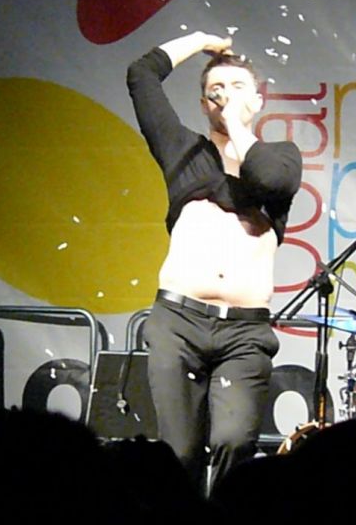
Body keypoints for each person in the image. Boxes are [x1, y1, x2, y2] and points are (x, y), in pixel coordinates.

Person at [126, 32, 302, 493]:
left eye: (238, 88)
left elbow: (267, 179)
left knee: (234, 442)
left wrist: (237, 126)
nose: (226, 97)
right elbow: (142, 74)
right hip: (179, 322)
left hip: (244, 332)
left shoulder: (281, 157)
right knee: (179, 452)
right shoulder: (184, 152)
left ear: (258, 101)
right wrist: (203, 41)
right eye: (216, 91)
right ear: (204, 105)